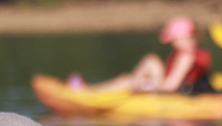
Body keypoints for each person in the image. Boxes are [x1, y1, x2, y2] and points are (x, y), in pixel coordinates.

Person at [71, 15, 212, 95]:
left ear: (185, 37)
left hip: (175, 95)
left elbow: (171, 86)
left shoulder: (186, 56)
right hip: (178, 90)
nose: (173, 44)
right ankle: (91, 90)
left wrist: (145, 87)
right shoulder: (190, 53)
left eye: (175, 40)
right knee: (129, 77)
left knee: (146, 66)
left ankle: (90, 92)